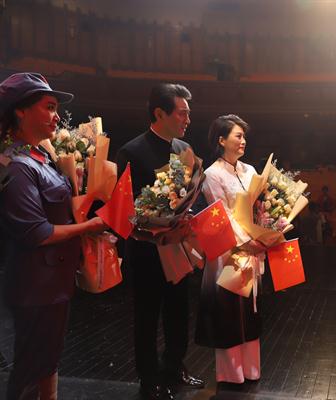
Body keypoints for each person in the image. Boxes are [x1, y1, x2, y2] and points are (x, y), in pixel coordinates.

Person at [0, 72, 106, 400]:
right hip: (35, 285)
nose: (56, 116)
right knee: (30, 371)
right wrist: (89, 227)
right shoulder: (17, 165)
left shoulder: (41, 157)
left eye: (56, 108)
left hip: (52, 282)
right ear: (20, 111)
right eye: (48, 107)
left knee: (47, 362)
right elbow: (37, 232)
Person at [116, 83, 205, 400]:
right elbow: (126, 210)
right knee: (147, 315)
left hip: (177, 245)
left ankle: (174, 367)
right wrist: (157, 226)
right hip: (146, 250)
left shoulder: (183, 149)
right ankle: (149, 378)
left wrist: (185, 216)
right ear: (159, 113)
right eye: (182, 113)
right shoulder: (131, 151)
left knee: (178, 310)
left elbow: (186, 195)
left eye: (188, 114)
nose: (187, 120)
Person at [195, 114, 266, 385]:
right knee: (228, 312)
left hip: (253, 248)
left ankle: (251, 370)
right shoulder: (212, 174)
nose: (243, 140)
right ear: (221, 140)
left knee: (250, 311)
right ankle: (231, 374)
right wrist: (247, 241)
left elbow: (261, 207)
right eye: (238, 136)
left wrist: (266, 230)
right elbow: (222, 215)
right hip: (229, 251)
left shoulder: (250, 170)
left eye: (244, 136)